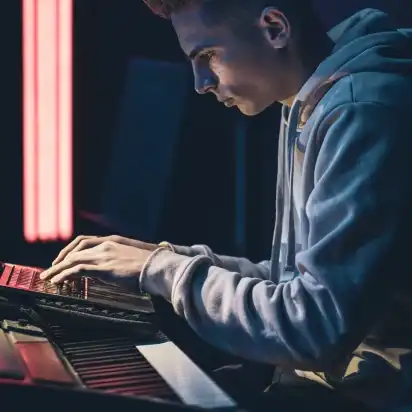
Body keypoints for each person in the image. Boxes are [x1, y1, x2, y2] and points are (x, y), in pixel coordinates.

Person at [41, 2, 412, 411]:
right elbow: (294, 284)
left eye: (207, 56)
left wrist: (164, 272)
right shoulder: (310, 102)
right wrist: (159, 259)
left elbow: (316, 327)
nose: (200, 83)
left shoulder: (361, 111)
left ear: (274, 28)